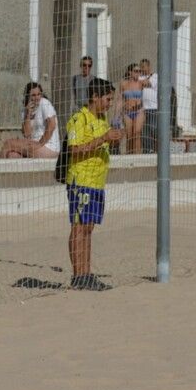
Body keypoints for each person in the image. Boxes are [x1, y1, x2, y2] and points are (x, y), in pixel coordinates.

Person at [65, 77, 123, 291]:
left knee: (88, 228)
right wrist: (103, 138)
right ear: (95, 97)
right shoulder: (79, 118)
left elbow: (102, 143)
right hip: (81, 180)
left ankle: (86, 274)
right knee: (79, 227)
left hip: (97, 182)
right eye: (107, 99)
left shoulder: (102, 119)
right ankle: (77, 275)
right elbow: (74, 149)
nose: (109, 103)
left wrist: (113, 139)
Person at [0, 82, 60, 159]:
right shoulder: (25, 110)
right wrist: (28, 114)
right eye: (33, 95)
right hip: (33, 145)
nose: (37, 97)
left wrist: (40, 143)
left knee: (8, 143)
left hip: (48, 147)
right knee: (12, 155)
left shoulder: (44, 103)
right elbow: (27, 134)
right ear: (27, 96)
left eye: (39, 94)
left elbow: (52, 125)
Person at [116, 63, 145, 154]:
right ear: (130, 72)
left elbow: (149, 84)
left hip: (139, 111)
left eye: (139, 71)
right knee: (129, 135)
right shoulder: (123, 84)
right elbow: (120, 99)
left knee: (137, 133)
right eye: (136, 71)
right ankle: (129, 156)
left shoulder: (141, 83)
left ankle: (138, 156)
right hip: (127, 111)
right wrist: (116, 116)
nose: (138, 73)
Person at [139, 58, 158, 154]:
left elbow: (148, 84)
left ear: (149, 66)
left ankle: (157, 150)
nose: (142, 69)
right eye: (141, 67)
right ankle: (147, 150)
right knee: (145, 131)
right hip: (143, 109)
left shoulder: (155, 76)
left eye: (144, 66)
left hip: (153, 108)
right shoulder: (140, 77)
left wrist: (139, 82)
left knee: (154, 129)